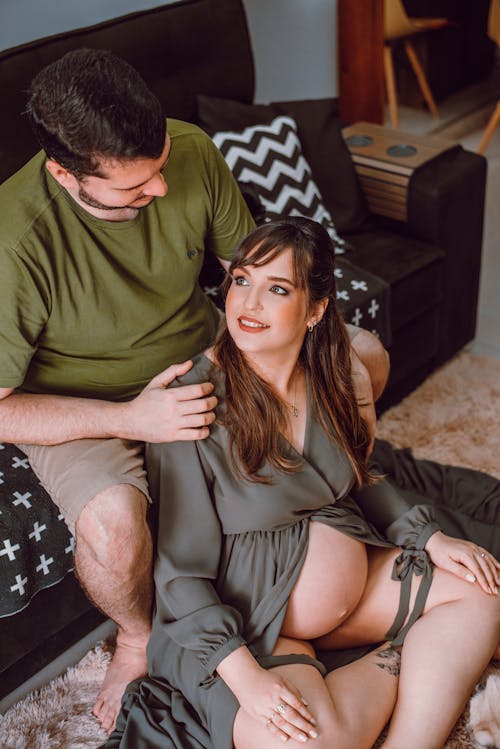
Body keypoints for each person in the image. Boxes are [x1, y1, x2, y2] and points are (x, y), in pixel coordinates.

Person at [0, 48, 387, 732]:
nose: (157, 192)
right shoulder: (15, 239)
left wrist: (269, 346)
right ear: (65, 175)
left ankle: (331, 507)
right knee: (116, 525)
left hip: (205, 352)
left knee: (366, 359)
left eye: (159, 172)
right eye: (134, 189)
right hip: (90, 404)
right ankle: (139, 635)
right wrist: (134, 416)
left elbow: (249, 264)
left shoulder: (192, 151)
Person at [106, 217, 499, 749]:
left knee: (483, 594)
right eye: (241, 280)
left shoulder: (330, 373)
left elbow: (362, 476)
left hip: (350, 600)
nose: (248, 303)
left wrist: (431, 537)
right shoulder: (190, 403)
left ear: (315, 310)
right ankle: (406, 657)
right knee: (312, 741)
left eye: (277, 289)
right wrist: (248, 681)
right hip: (248, 621)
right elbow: (180, 573)